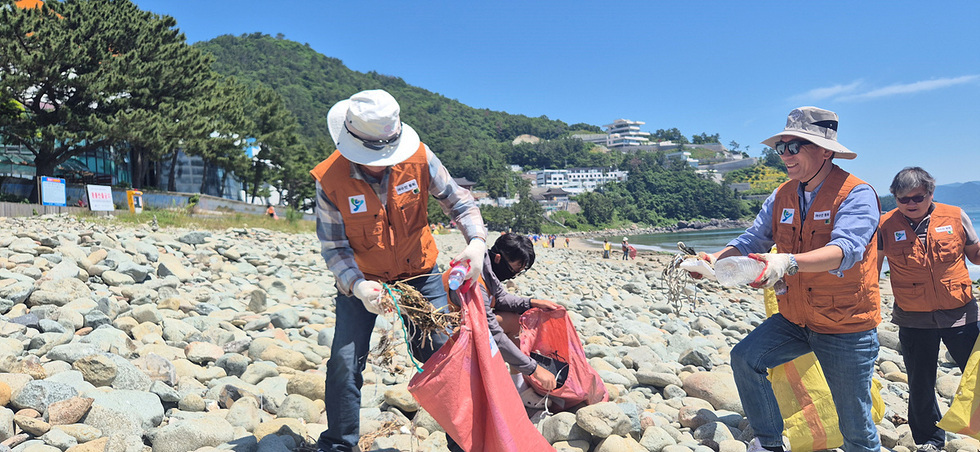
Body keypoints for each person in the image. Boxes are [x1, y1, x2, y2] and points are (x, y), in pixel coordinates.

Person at [685, 107, 882, 452]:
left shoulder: (856, 194)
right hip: (795, 317)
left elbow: (846, 249)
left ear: (825, 150)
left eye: (795, 146)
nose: (785, 155)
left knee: (855, 423)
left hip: (845, 324)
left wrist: (788, 261)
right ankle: (770, 443)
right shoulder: (782, 195)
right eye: (782, 147)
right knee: (746, 358)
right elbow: (752, 239)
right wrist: (714, 260)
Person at [310, 89, 488, 452]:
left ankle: (466, 443)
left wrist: (477, 243)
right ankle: (338, 444)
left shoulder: (420, 158)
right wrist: (358, 287)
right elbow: (334, 246)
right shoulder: (330, 178)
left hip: (420, 272)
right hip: (362, 280)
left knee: (443, 353)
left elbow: (459, 201)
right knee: (345, 362)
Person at [878, 167, 980, 452]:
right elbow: (871, 269)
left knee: (977, 375)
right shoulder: (884, 225)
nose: (910, 203)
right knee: (920, 383)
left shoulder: (956, 215)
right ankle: (929, 441)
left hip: (961, 313)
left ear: (931, 194)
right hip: (913, 318)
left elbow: (975, 256)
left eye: (917, 197)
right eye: (902, 199)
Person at [444, 233, 562, 391]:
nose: (513, 275)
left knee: (515, 319)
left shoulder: (485, 266)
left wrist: (532, 303)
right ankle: (518, 384)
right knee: (511, 322)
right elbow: (491, 331)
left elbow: (500, 298)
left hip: (465, 324)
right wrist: (534, 369)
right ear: (498, 258)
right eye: (514, 269)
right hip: (447, 334)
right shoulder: (474, 282)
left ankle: (518, 384)